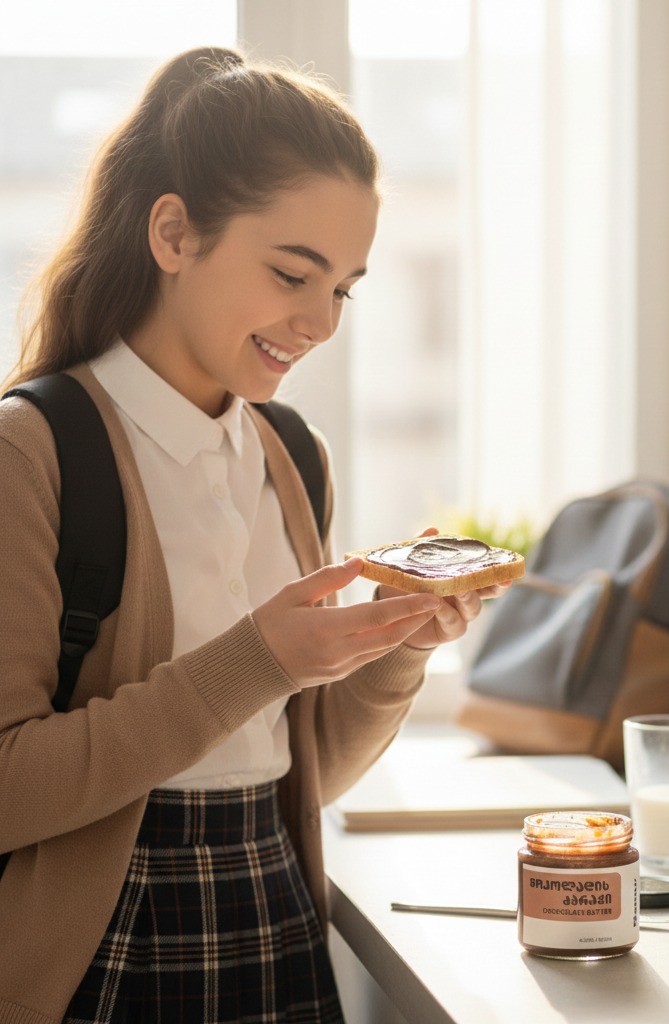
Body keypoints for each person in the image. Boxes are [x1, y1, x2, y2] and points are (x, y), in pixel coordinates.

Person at [0, 46, 506, 1023]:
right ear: (174, 233)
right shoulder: (34, 452)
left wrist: (394, 647)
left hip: (271, 907)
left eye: (345, 288)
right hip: (100, 952)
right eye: (292, 272)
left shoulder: (290, 454)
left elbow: (300, 767)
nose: (319, 320)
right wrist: (258, 659)